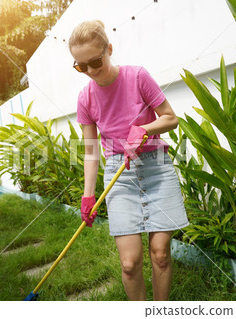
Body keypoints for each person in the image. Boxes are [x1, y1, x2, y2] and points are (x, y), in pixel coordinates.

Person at [69, 20, 189, 301]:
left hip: (156, 167)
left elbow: (171, 118)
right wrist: (88, 196)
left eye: (95, 61)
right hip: (119, 174)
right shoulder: (85, 98)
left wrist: (144, 130)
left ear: (109, 49)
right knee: (129, 263)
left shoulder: (137, 77)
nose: (90, 71)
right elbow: (90, 150)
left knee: (160, 254)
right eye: (80, 66)